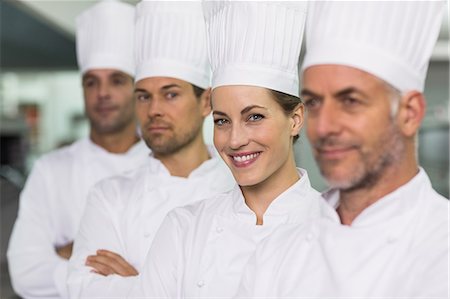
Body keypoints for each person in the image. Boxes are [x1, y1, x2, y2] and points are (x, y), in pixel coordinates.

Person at [236, 1, 449, 298]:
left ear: (410, 113)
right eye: (314, 102)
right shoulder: (276, 253)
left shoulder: (442, 247)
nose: (323, 127)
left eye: (350, 101)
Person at [131, 1, 326, 298]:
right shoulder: (184, 228)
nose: (234, 140)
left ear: (295, 119)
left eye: (254, 117)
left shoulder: (335, 228)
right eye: (222, 120)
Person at [66, 2, 235, 298]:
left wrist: (138, 282)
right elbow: (81, 290)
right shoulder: (109, 196)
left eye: (170, 94)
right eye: (144, 96)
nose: (154, 109)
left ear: (206, 102)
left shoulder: (238, 190)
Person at [6, 1, 150, 298]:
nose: (103, 93)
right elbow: (25, 274)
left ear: (138, 89)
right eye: (91, 82)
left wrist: (72, 251)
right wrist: (126, 275)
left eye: (117, 80)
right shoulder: (51, 169)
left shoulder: (161, 165)